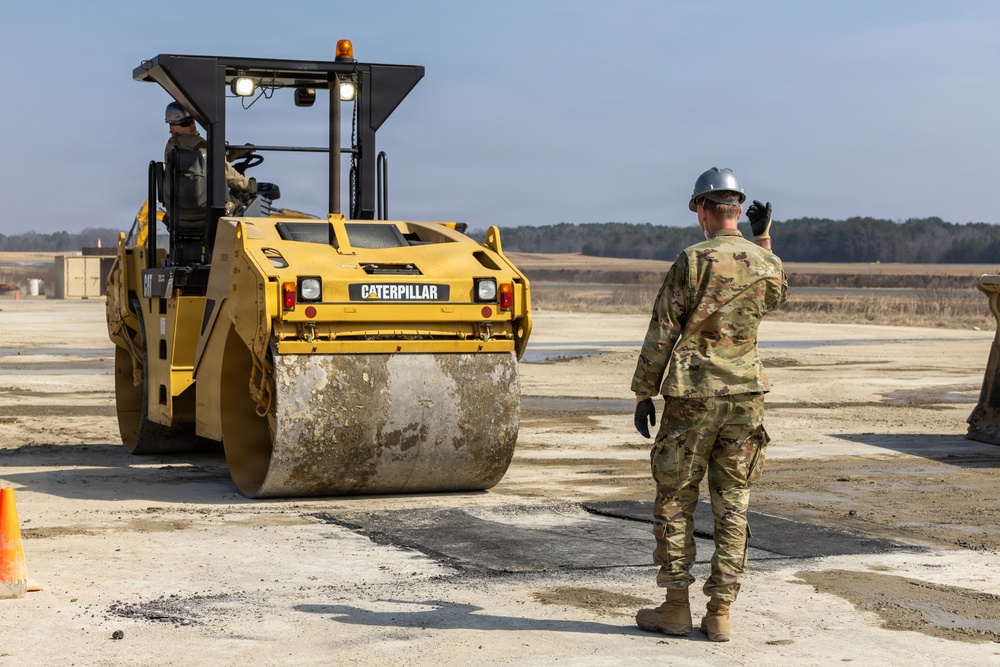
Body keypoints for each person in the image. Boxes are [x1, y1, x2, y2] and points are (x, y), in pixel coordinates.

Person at [631, 167, 787, 642]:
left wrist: (644, 390)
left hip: (694, 396)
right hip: (745, 396)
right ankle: (720, 612)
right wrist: (763, 239)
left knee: (676, 499)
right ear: (737, 210)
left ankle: (676, 606)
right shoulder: (764, 261)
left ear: (702, 209)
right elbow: (776, 295)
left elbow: (663, 327)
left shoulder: (692, 259)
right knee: (733, 501)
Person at [163, 101, 256, 210]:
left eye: (192, 121)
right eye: (185, 123)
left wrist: (241, 151)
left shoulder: (173, 147)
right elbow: (223, 170)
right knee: (248, 201)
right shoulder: (196, 144)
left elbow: (212, 158)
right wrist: (250, 186)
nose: (192, 125)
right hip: (207, 207)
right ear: (172, 127)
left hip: (181, 208)